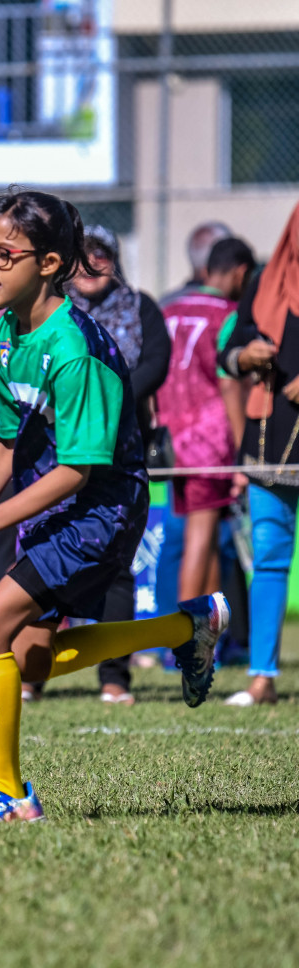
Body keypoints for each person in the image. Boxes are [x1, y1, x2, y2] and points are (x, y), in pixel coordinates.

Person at [0, 188, 226, 824]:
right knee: (25, 657)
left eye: (6, 254)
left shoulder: (75, 348)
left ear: (51, 263)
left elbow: (80, 468)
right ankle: (185, 628)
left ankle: (4, 793)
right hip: (56, 507)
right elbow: (5, 443)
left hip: (101, 509)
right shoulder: (7, 335)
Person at [48, 225, 171, 704]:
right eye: (83, 255)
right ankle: (33, 677)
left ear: (115, 259)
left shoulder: (141, 306)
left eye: (101, 254)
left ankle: (114, 678)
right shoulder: (54, 310)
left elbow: (156, 363)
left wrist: (109, 400)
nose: (91, 263)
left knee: (116, 562)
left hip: (121, 445)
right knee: (45, 553)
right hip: (59, 445)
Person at [219, 203, 299, 707]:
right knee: (268, 558)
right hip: (270, 443)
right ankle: (262, 677)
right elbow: (228, 352)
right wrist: (245, 357)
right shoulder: (267, 280)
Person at [158, 236, 252, 629]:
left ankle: (210, 638)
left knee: (208, 536)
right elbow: (229, 383)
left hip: (169, 436)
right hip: (209, 440)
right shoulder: (229, 313)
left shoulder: (169, 309)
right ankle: (185, 639)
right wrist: (243, 450)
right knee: (199, 539)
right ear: (241, 273)